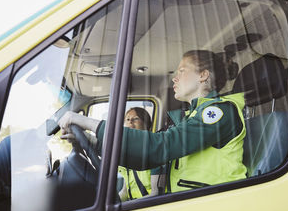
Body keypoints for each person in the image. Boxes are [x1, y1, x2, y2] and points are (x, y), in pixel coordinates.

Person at [59, 50, 247, 193]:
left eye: (182, 70)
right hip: (194, 202)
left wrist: (86, 122)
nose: (175, 77)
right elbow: (143, 158)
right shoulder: (191, 116)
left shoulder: (219, 112)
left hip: (215, 204)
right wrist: (92, 142)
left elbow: (156, 148)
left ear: (203, 75)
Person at [118, 107, 165, 200]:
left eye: (135, 118)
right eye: (127, 119)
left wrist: (128, 206)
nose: (130, 122)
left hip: (149, 207)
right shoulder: (126, 153)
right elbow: (125, 191)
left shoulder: (154, 149)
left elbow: (156, 193)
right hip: (135, 204)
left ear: (146, 124)